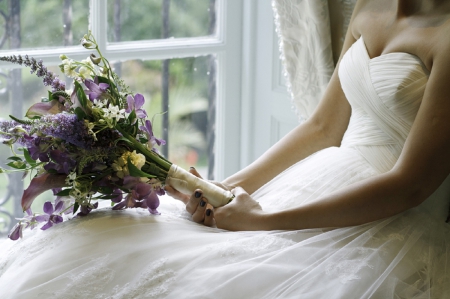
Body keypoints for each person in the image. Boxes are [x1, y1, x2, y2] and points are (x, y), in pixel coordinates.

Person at [1, 0, 450, 298]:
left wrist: (263, 221)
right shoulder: (370, 7)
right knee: (135, 256)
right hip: (318, 179)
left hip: (384, 218)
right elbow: (322, 127)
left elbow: (411, 185)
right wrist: (223, 191)